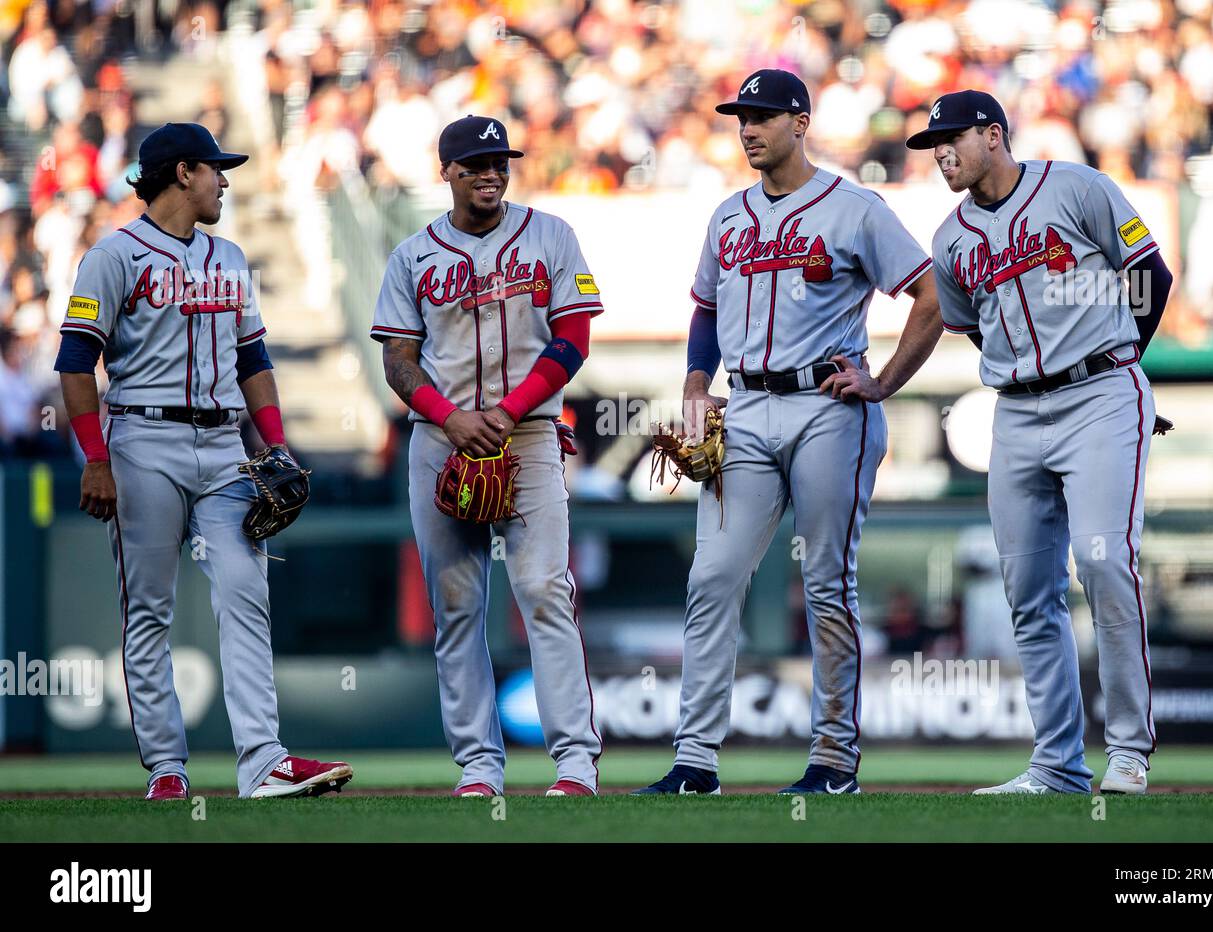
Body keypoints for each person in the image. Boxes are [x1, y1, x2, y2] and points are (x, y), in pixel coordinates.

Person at [634, 70, 943, 795]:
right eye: (743, 116)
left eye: (765, 116)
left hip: (828, 408)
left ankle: (834, 760)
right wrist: (692, 385)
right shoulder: (728, 216)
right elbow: (706, 308)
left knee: (826, 581)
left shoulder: (854, 208)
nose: (749, 127)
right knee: (711, 575)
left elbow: (931, 294)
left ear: (800, 123)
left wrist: (884, 381)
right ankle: (695, 763)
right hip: (744, 406)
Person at [54, 123, 353, 801]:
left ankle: (263, 764)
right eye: (217, 169)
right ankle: (167, 768)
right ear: (183, 172)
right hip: (142, 441)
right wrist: (94, 457)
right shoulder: (113, 255)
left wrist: (274, 443)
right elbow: (76, 361)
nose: (226, 180)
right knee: (149, 609)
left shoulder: (231, 257)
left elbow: (254, 360)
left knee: (246, 594)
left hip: (224, 448)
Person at [906, 90, 1174, 795]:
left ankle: (1127, 752)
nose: (940, 152)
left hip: (1099, 392)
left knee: (1106, 564)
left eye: (952, 138)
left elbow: (1150, 273)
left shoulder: (1078, 186)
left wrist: (1123, 368)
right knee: (1028, 592)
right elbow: (967, 324)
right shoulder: (949, 239)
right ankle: (1057, 765)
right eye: (933, 143)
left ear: (993, 135)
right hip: (1016, 412)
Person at [371, 115, 603, 797]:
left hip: (526, 431)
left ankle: (575, 764)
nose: (492, 173)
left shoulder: (551, 234)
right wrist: (450, 417)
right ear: (446, 172)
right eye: (475, 164)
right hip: (441, 439)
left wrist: (504, 412)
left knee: (543, 591)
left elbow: (574, 338)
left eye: (500, 161)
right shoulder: (414, 255)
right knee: (457, 603)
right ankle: (478, 766)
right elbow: (398, 357)